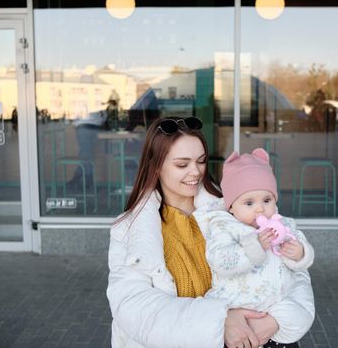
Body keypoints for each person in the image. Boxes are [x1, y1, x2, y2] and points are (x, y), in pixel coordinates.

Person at [106, 117, 315, 348]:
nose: (195, 172)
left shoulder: (238, 206)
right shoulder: (131, 228)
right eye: (182, 164)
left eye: (201, 161)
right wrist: (220, 321)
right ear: (156, 166)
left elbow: (293, 272)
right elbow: (134, 308)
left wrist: (276, 320)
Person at [194, 148, 315, 347]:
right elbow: (221, 261)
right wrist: (254, 247)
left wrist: (299, 253)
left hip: (275, 308)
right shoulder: (224, 227)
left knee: (300, 317)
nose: (260, 209)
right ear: (231, 206)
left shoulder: (283, 224)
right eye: (249, 202)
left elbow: (303, 259)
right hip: (237, 307)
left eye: (266, 200)